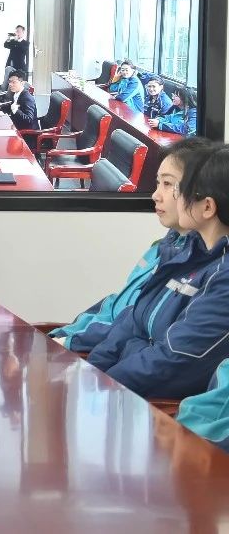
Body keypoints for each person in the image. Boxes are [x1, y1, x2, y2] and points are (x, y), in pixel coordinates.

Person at [86, 145, 229, 399]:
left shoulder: (222, 276)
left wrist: (99, 389)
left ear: (207, 207)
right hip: (124, 386)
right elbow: (133, 321)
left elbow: (175, 358)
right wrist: (91, 374)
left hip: (154, 404)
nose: (160, 196)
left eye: (178, 190)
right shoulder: (187, 252)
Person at [48, 137, 216, 352]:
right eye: (158, 183)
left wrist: (69, 343)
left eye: (168, 184)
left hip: (100, 354)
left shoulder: (199, 268)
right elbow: (113, 306)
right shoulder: (161, 247)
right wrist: (63, 335)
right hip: (90, 344)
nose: (156, 195)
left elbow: (134, 327)